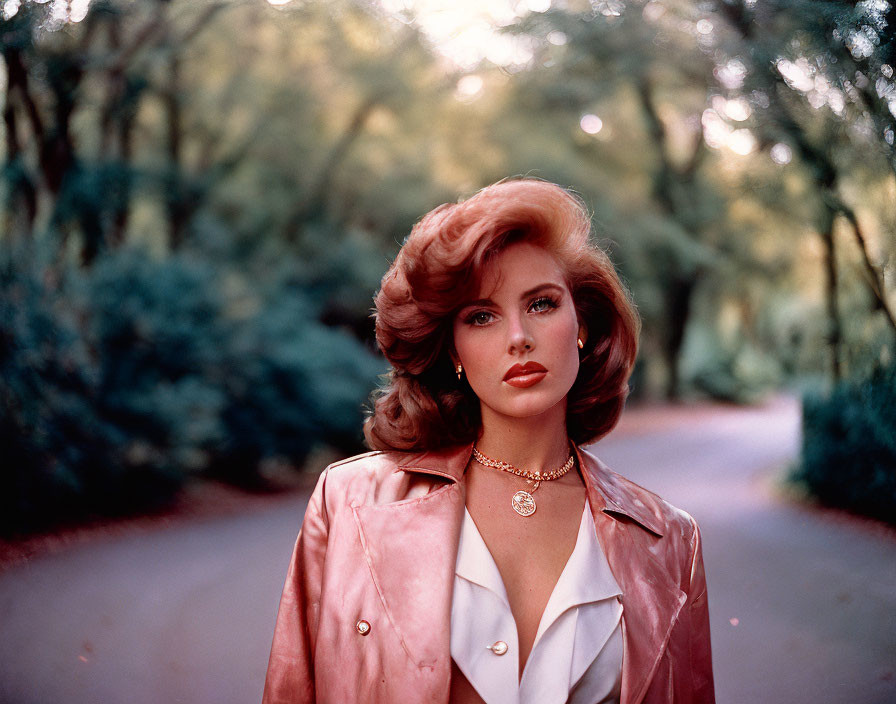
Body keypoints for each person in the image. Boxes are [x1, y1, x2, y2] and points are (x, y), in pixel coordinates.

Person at [262, 178, 715, 704]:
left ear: (582, 323)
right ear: (453, 348)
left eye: (542, 304)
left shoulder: (670, 543)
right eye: (481, 316)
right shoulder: (349, 503)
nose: (518, 336)